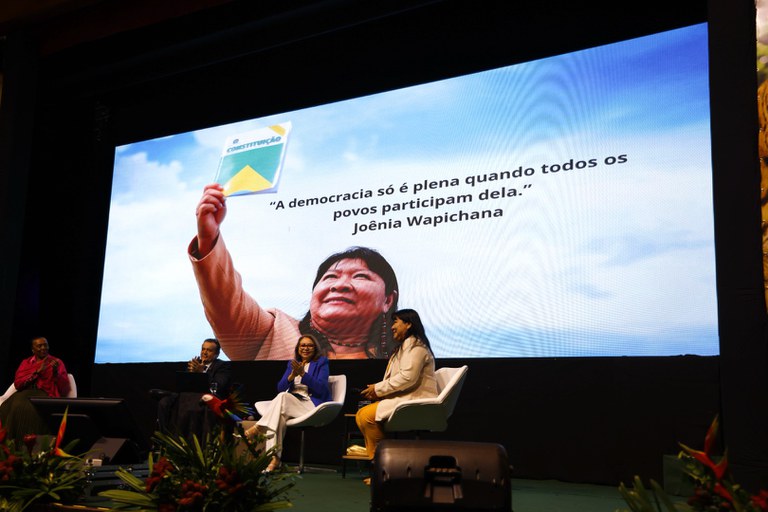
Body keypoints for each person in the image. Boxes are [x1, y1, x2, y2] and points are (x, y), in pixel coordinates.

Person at [188, 183, 399, 360]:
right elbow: (226, 303)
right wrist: (208, 241)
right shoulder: (275, 331)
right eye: (330, 277)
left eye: (360, 276)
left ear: (388, 300)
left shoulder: (402, 354)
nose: (339, 285)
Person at [356, 309, 438, 460]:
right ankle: (380, 464)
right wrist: (378, 390)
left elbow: (408, 377)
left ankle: (382, 463)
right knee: (362, 415)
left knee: (367, 416)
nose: (392, 327)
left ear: (408, 324)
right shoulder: (406, 347)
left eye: (395, 322)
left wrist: (378, 389)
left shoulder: (416, 347)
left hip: (416, 400)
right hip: (406, 397)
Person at [245, 334, 330, 472]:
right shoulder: (292, 363)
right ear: (298, 348)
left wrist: (303, 374)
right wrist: (291, 376)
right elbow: (280, 387)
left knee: (282, 397)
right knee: (279, 417)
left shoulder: (321, 362)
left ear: (315, 348)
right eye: (303, 345)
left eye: (309, 345)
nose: (306, 348)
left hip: (310, 404)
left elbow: (322, 389)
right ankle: (274, 459)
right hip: (291, 402)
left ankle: (259, 428)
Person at [155, 338, 232, 440]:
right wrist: (190, 374)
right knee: (164, 402)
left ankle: (189, 440)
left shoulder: (223, 366)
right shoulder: (195, 364)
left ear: (216, 354)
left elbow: (219, 385)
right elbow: (184, 386)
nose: (204, 352)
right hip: (187, 396)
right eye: (203, 349)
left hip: (207, 398)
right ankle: (166, 439)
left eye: (209, 350)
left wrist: (202, 373)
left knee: (192, 404)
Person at [0, 337, 71, 442]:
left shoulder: (56, 362)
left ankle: (33, 445)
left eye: (45, 345)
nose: (43, 348)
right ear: (33, 350)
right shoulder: (26, 363)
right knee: (12, 406)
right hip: (24, 392)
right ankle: (10, 445)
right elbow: (18, 383)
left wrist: (56, 373)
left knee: (33, 409)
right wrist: (37, 372)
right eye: (39, 346)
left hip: (44, 394)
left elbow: (64, 388)